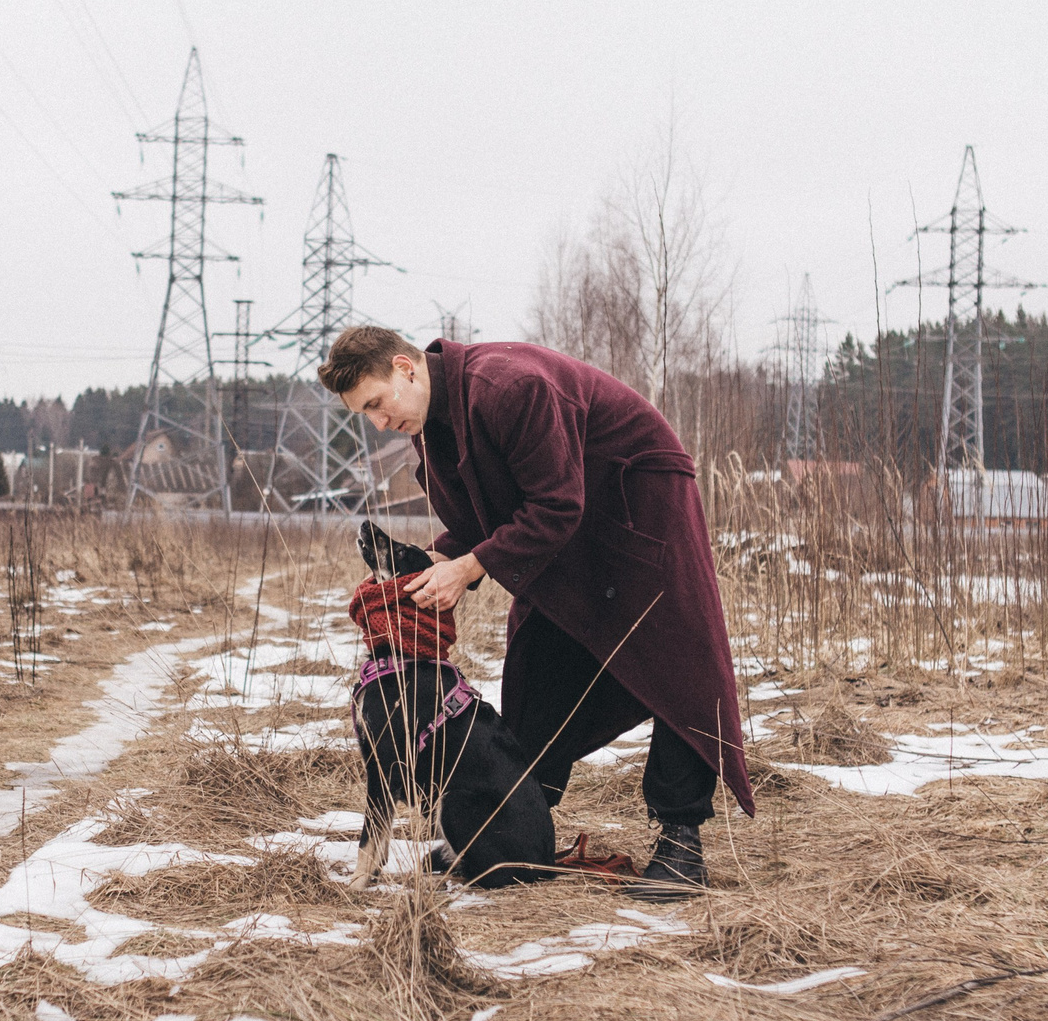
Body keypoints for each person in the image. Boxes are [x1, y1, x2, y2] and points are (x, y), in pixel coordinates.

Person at [321, 325, 752, 897]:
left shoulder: (509, 387)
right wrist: (437, 561)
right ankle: (507, 824)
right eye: (363, 414)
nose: (377, 423)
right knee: (536, 657)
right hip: (568, 521)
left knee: (673, 662)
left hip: (637, 500)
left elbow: (555, 503)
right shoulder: (431, 430)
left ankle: (681, 844)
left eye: (376, 403)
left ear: (405, 367)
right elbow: (486, 521)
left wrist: (470, 566)